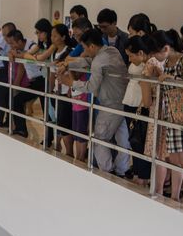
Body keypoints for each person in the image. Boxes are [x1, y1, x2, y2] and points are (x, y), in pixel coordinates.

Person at [59, 28, 131, 177]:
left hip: (110, 105)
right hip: (121, 103)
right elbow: (89, 61)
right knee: (123, 141)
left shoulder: (99, 61)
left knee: (99, 139)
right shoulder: (112, 51)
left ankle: (108, 171)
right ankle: (121, 170)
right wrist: (69, 64)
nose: (84, 51)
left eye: (85, 48)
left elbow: (91, 86)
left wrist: (71, 82)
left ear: (91, 46)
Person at [141, 30, 183, 203]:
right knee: (174, 160)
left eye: (155, 53)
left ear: (166, 48)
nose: (154, 57)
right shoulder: (166, 62)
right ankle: (174, 197)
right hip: (170, 114)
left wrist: (172, 79)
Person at [62, 17, 94, 162]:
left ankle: (81, 158)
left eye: (78, 35)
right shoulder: (80, 46)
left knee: (81, 130)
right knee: (76, 129)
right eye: (74, 35)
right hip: (76, 95)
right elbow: (68, 60)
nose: (76, 38)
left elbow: (75, 62)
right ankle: (78, 157)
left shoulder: (92, 46)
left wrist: (74, 62)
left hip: (85, 96)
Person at [123, 35, 154, 184]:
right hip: (130, 103)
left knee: (139, 142)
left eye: (131, 56)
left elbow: (146, 93)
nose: (129, 59)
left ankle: (143, 176)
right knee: (134, 141)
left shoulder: (148, 66)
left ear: (141, 53)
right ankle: (138, 171)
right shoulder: (141, 64)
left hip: (138, 106)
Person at [8, 30, 45, 139]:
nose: (11, 46)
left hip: (41, 80)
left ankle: (47, 138)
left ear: (19, 41)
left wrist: (16, 54)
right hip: (34, 81)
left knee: (46, 110)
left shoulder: (32, 46)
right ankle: (21, 129)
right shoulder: (19, 48)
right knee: (17, 100)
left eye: (12, 43)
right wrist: (11, 53)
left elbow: (27, 55)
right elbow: (16, 56)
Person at [49, 24, 78, 156]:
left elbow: (74, 73)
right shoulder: (54, 52)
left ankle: (70, 152)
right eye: (51, 35)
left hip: (66, 93)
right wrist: (49, 91)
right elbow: (51, 74)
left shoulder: (70, 52)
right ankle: (61, 147)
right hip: (57, 92)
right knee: (59, 122)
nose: (52, 38)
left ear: (63, 37)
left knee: (65, 124)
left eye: (55, 35)